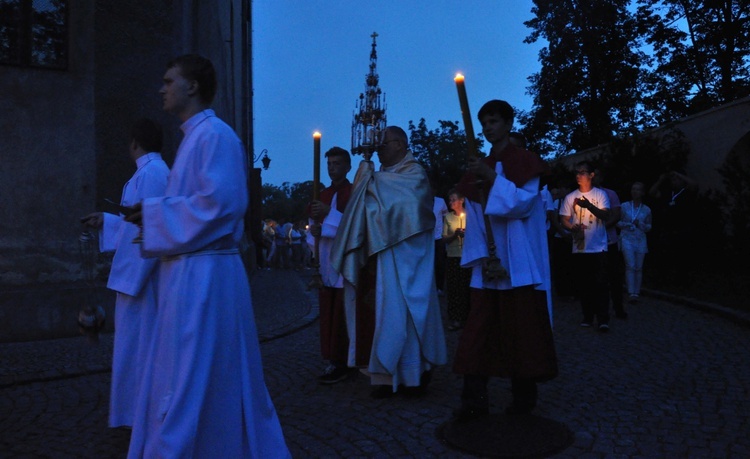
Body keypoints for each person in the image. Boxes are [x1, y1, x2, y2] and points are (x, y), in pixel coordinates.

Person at [124, 54, 289, 458]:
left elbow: (222, 205)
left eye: (168, 80)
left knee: (195, 376)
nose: (161, 88)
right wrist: (155, 215)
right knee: (186, 375)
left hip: (207, 278)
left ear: (192, 86)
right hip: (191, 275)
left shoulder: (215, 136)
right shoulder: (193, 138)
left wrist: (156, 212)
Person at [452, 100, 558, 419]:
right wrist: (481, 256)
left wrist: (491, 177)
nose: (487, 127)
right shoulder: (478, 168)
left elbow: (522, 205)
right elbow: (471, 211)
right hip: (489, 263)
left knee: (520, 330)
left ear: (508, 124)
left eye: (494, 121)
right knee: (478, 330)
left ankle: (523, 401)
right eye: (484, 122)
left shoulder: (526, 162)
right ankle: (474, 400)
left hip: (519, 263)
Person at [331, 126, 447, 399]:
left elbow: (406, 206)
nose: (379, 149)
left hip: (409, 258)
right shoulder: (382, 175)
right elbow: (362, 203)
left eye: (383, 144)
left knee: (408, 314)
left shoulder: (414, 173)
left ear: (399, 144)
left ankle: (415, 376)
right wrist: (367, 172)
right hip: (384, 257)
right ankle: (384, 376)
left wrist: (368, 175)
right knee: (385, 312)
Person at [80, 118, 169, 428]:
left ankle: (143, 414)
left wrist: (129, 280)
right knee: (134, 347)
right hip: (141, 278)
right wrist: (107, 219)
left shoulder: (153, 175)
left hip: (146, 282)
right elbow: (135, 221)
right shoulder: (147, 174)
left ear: (134, 143)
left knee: (143, 348)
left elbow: (149, 230)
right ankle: (136, 412)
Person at [307, 146, 354, 384]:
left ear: (347, 166)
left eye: (336, 163)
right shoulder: (322, 194)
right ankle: (333, 358)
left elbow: (356, 227)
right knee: (329, 314)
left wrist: (329, 216)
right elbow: (311, 228)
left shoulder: (354, 193)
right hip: (326, 261)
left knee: (345, 315)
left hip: (347, 263)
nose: (332, 167)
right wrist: (314, 232)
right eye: (329, 164)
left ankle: (349, 359)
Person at [559, 161, 612, 332]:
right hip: (580, 246)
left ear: (591, 175)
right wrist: (570, 227)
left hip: (598, 247)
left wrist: (588, 205)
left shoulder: (600, 194)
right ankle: (587, 317)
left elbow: (605, 215)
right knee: (584, 284)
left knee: (601, 284)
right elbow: (564, 218)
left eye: (582, 172)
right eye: (577, 172)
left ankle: (603, 319)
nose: (579, 175)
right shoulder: (570, 197)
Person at [648, 170, 698, 285]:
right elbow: (652, 192)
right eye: (672, 180)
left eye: (676, 180)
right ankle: (663, 277)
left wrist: (679, 174)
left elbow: (695, 185)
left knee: (682, 254)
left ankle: (681, 279)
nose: (674, 182)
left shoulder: (687, 192)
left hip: (683, 227)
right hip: (668, 228)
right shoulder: (668, 193)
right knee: (665, 253)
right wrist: (661, 179)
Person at [594, 169, 626, 319]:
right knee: (596, 278)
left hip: (610, 241)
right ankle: (599, 310)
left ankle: (618, 307)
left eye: (597, 175)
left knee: (615, 277)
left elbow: (617, 215)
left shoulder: (610, 194)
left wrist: (601, 227)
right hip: (592, 245)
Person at [617, 181, 652, 302]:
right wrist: (627, 224)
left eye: (638, 190)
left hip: (640, 239)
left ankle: (637, 291)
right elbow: (617, 222)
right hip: (627, 238)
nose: (635, 192)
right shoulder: (624, 206)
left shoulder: (647, 209)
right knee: (630, 265)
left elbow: (649, 226)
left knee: (639, 266)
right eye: (633, 189)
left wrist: (641, 224)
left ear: (642, 192)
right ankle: (631, 291)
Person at [442, 189, 471, 331]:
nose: (451, 202)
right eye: (449, 200)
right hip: (453, 256)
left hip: (467, 256)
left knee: (466, 288)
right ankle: (454, 319)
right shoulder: (448, 217)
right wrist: (455, 235)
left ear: (462, 200)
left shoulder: (470, 215)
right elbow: (445, 238)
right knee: (454, 289)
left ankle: (468, 318)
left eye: (453, 199)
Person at [432, 183, 449, 296]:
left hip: (439, 237)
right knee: (428, 263)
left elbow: (445, 217)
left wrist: (445, 233)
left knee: (440, 263)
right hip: (427, 238)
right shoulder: (422, 201)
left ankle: (439, 287)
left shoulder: (440, 201)